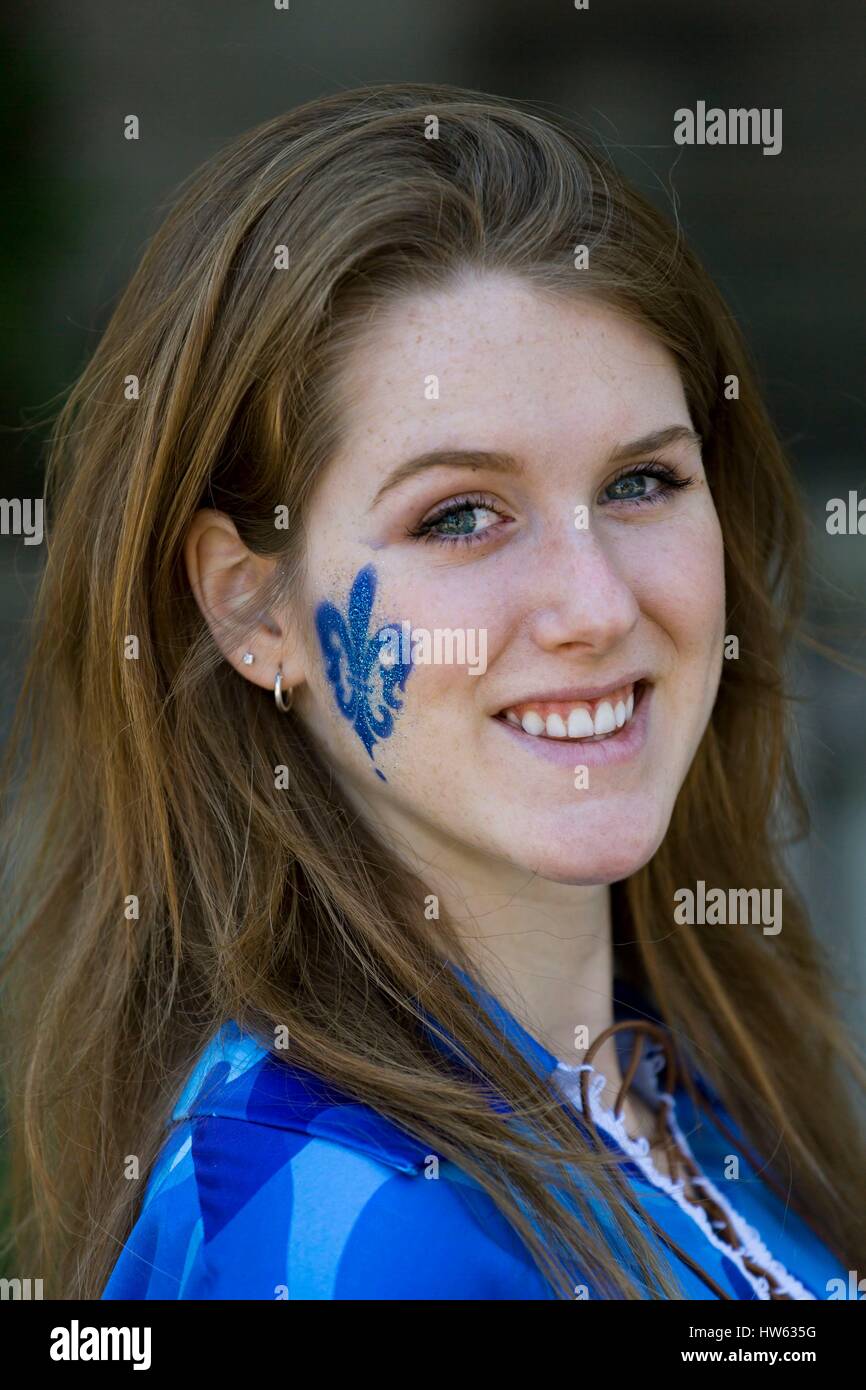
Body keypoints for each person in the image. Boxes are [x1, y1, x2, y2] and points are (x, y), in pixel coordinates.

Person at [3, 82, 863, 1301]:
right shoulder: (357, 1234)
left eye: (640, 483)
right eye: (459, 514)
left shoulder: (672, 1074)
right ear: (252, 608)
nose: (597, 606)